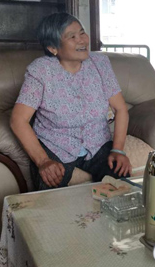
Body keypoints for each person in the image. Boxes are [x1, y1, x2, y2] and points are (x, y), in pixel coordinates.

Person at [10, 13, 132, 190]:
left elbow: (120, 109)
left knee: (121, 186)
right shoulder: (41, 71)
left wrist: (118, 150)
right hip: (56, 144)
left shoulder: (100, 63)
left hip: (97, 142)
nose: (82, 40)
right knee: (49, 191)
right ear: (53, 48)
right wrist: (43, 161)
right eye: (72, 37)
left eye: (82, 33)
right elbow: (18, 120)